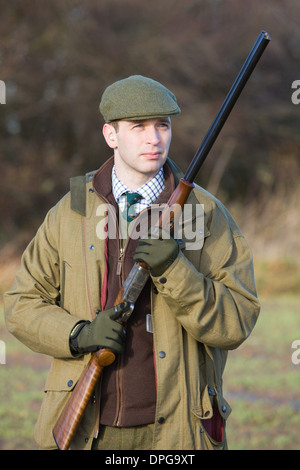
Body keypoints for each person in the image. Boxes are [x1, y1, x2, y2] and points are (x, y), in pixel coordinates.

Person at [4, 75, 260, 451]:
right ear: (111, 135)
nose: (154, 139)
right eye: (138, 127)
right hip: (89, 431)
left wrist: (175, 270)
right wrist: (79, 335)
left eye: (162, 125)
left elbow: (237, 321)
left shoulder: (203, 212)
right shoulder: (73, 206)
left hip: (177, 431)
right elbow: (20, 305)